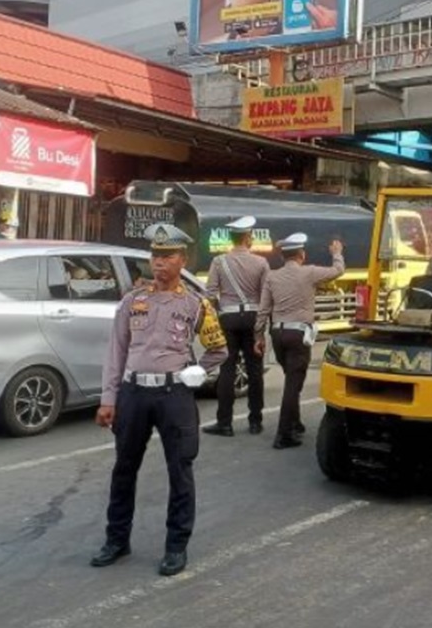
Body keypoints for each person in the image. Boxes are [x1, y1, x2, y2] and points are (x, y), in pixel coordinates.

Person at [91, 223, 228, 576]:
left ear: (182, 260)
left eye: (167, 256)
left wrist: (194, 372)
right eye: (155, 255)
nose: (159, 263)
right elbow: (116, 351)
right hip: (134, 393)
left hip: (173, 395)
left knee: (180, 470)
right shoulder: (133, 301)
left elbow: (219, 348)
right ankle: (116, 540)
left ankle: (176, 546)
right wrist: (109, 399)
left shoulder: (196, 305)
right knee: (124, 469)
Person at [255, 233, 344, 450]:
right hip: (298, 336)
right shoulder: (310, 272)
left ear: (283, 256)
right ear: (301, 254)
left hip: (278, 334)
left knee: (291, 379)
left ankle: (295, 423)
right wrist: (337, 253)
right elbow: (338, 271)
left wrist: (258, 336)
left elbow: (264, 309)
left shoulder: (272, 277)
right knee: (293, 386)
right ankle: (284, 434)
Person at [202, 215, 270, 437]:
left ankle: (225, 423)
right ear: (248, 238)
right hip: (252, 318)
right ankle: (255, 422)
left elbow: (210, 295)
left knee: (227, 370)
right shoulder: (261, 263)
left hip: (228, 319)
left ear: (231, 239)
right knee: (255, 370)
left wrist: (214, 318)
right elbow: (266, 297)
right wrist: (261, 329)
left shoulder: (219, 262)